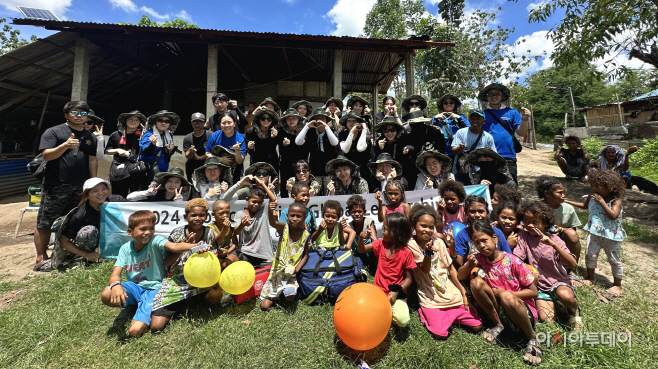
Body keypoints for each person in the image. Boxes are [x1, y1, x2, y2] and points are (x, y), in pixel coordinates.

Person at [100, 210, 200, 337]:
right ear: (130, 232)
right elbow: (115, 274)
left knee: (135, 331)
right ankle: (132, 305)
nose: (148, 232)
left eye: (151, 228)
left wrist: (196, 246)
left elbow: (174, 247)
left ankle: (134, 309)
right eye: (142, 229)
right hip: (134, 287)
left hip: (154, 289)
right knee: (106, 293)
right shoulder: (125, 248)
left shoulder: (155, 240)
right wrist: (116, 285)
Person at [457, 220, 542, 365]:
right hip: (502, 310)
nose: (482, 246)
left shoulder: (512, 261)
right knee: (475, 282)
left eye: (484, 240)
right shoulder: (479, 259)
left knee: (506, 295)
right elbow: (460, 276)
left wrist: (505, 293)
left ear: (494, 239)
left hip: (521, 311)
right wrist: (470, 265)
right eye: (477, 243)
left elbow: (533, 292)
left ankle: (532, 337)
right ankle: (499, 324)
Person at [33, 101, 98, 271]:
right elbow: (46, 155)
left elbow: (92, 160)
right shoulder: (54, 132)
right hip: (56, 185)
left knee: (72, 220)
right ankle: (41, 256)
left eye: (83, 113)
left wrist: (93, 184)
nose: (79, 116)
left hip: (79, 186)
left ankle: (66, 253)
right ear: (66, 114)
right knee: (45, 221)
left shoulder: (89, 136)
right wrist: (65, 145)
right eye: (74, 112)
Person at [407, 204, 482, 339]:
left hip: (449, 292)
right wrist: (428, 254)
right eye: (423, 226)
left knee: (477, 325)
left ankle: (451, 316)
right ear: (414, 225)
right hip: (430, 296)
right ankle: (428, 313)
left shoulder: (439, 242)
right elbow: (424, 269)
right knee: (440, 334)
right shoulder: (411, 245)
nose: (427, 230)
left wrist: (463, 293)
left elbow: (451, 269)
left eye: (431, 227)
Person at [150, 199, 224, 332]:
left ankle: (191, 303)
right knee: (156, 327)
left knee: (216, 295)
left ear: (206, 217)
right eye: (193, 215)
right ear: (186, 217)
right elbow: (166, 262)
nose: (197, 218)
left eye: (201, 215)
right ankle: (182, 303)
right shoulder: (177, 234)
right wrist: (183, 247)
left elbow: (214, 260)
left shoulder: (210, 233)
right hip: (177, 283)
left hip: (201, 283)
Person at [513, 200, 582, 330]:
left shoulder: (555, 239)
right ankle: (555, 302)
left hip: (557, 281)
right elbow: (517, 259)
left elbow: (573, 263)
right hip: (539, 286)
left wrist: (553, 245)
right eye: (526, 221)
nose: (530, 225)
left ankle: (573, 311)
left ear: (545, 223)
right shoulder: (523, 237)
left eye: (535, 222)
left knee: (566, 296)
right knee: (546, 319)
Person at [568, 169, 627, 296]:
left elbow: (613, 215)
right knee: (590, 254)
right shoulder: (592, 197)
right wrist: (567, 201)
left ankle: (617, 284)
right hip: (594, 232)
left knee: (614, 259)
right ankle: (590, 277)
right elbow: (584, 206)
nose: (593, 188)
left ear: (610, 186)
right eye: (592, 184)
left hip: (611, 235)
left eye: (597, 185)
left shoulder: (616, 201)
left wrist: (601, 202)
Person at [50, 178, 125, 270]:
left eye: (103, 189)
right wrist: (86, 255)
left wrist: (111, 208)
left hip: (117, 238)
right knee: (88, 231)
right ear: (87, 195)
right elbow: (63, 241)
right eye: (95, 191)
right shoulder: (81, 214)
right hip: (96, 241)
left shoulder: (118, 201)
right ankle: (92, 258)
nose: (101, 193)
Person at [357, 212, 416, 328]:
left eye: (385, 229)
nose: (382, 231)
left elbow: (409, 278)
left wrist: (397, 291)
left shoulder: (406, 253)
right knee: (365, 315)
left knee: (403, 321)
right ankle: (383, 312)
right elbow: (361, 250)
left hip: (395, 295)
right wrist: (361, 238)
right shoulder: (381, 244)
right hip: (377, 293)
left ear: (396, 233)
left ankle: (387, 311)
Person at [260, 201, 311, 311]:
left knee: (290, 295)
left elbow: (306, 254)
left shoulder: (305, 234)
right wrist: (270, 210)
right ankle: (275, 297)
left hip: (290, 275)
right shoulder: (284, 228)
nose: (295, 219)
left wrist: (297, 269)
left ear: (304, 218)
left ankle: (285, 295)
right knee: (264, 306)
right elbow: (273, 223)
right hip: (277, 273)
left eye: (299, 216)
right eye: (292, 215)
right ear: (287, 216)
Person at [478, 83, 530, 184]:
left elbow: (521, 133)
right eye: (490, 95)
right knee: (489, 187)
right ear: (486, 97)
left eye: (497, 94)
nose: (494, 97)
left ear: (502, 96)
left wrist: (525, 119)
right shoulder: (481, 114)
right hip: (488, 156)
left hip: (508, 155)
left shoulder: (512, 112)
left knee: (510, 187)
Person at [535, 175, 582, 281]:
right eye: (559, 193)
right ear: (547, 194)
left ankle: (572, 270)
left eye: (563, 192)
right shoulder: (536, 208)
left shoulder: (568, 209)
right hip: (539, 239)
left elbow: (572, 231)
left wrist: (561, 229)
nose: (563, 196)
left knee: (572, 234)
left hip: (560, 241)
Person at [449, 195, 512, 267]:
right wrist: (452, 248)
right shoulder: (462, 235)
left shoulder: (497, 232)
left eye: (481, 211)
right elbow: (460, 264)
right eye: (472, 211)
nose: (477, 215)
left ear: (487, 213)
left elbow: (508, 257)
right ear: (466, 213)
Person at [233, 179, 278, 268]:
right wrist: (242, 224)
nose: (256, 205)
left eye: (259, 202)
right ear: (247, 200)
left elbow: (273, 200)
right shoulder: (240, 214)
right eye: (254, 201)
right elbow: (235, 232)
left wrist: (262, 184)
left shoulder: (263, 211)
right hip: (246, 252)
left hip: (264, 255)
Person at [295, 108, 340, 193]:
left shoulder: (331, 130)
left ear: (326, 120)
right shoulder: (310, 132)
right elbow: (298, 142)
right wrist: (307, 126)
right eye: (317, 118)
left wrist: (326, 127)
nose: (320, 121)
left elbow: (335, 143)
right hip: (315, 168)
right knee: (316, 192)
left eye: (322, 118)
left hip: (329, 169)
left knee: (329, 191)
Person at [105, 110, 146, 197]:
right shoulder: (116, 134)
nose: (133, 122)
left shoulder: (143, 136)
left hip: (137, 171)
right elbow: (107, 150)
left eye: (136, 120)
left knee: (137, 198)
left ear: (140, 123)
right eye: (130, 119)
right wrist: (117, 150)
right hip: (119, 170)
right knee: (118, 197)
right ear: (125, 121)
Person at [451, 110, 497, 185]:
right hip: (461, 172)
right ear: (469, 120)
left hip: (480, 173)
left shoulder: (488, 137)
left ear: (484, 121)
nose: (475, 121)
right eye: (472, 119)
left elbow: (493, 155)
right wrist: (460, 148)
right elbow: (454, 150)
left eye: (478, 119)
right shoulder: (461, 132)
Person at [401, 109, 446, 186]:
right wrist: (407, 149)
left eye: (416, 123)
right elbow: (409, 147)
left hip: (435, 167)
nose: (414, 126)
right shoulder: (409, 135)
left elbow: (442, 148)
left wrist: (431, 154)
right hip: (416, 171)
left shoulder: (434, 131)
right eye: (412, 123)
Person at [594, 145, 658, 195]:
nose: (611, 154)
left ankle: (654, 190)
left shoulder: (618, 162)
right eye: (608, 152)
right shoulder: (600, 162)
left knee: (636, 178)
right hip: (606, 180)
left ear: (616, 154)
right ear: (605, 154)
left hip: (619, 180)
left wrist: (627, 155)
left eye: (613, 153)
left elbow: (625, 168)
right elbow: (588, 165)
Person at [139, 110, 179, 187]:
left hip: (163, 171)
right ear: (155, 122)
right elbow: (146, 153)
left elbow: (167, 153)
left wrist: (172, 148)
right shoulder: (149, 134)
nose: (164, 123)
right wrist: (152, 144)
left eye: (167, 121)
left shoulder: (168, 135)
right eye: (160, 120)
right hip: (150, 173)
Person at [205, 113, 246, 184]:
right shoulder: (214, 136)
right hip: (217, 170)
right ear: (220, 124)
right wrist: (219, 159)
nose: (226, 125)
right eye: (223, 123)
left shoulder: (240, 138)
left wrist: (237, 150)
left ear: (234, 124)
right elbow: (207, 153)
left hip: (235, 171)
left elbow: (240, 161)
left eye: (229, 123)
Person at [278, 109, 311, 198]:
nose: (291, 121)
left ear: (298, 119)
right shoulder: (280, 129)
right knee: (286, 186)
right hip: (286, 163)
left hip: (301, 163)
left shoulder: (305, 129)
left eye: (294, 118)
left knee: (302, 186)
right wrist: (283, 144)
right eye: (288, 118)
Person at [338, 111, 373, 185]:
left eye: (354, 121)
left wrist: (364, 130)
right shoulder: (342, 135)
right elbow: (345, 149)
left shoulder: (366, 137)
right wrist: (352, 132)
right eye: (349, 121)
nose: (351, 123)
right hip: (347, 172)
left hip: (363, 171)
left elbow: (360, 148)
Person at [346, 195, 377, 274]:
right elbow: (343, 241)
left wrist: (369, 237)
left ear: (364, 211)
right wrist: (341, 228)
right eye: (354, 212)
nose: (356, 214)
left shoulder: (368, 223)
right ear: (349, 212)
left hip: (368, 256)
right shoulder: (349, 226)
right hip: (355, 257)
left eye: (359, 211)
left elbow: (375, 242)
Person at [432, 94, 470, 159]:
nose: (448, 104)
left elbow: (469, 130)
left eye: (451, 102)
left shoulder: (461, 117)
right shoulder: (436, 117)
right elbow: (432, 134)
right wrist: (436, 119)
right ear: (442, 105)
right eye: (445, 103)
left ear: (454, 104)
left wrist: (459, 119)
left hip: (458, 150)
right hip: (441, 151)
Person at [208, 199, 243, 269]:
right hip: (213, 257)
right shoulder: (211, 228)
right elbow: (218, 240)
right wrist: (225, 228)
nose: (225, 215)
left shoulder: (229, 227)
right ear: (213, 215)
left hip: (226, 255)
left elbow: (235, 243)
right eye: (221, 213)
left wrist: (228, 251)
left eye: (227, 212)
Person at [245, 108, 280, 172]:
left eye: (269, 119)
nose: (266, 121)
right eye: (263, 118)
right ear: (259, 119)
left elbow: (274, 148)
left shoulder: (275, 131)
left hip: (272, 163)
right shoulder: (251, 132)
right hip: (256, 162)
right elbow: (249, 152)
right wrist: (250, 148)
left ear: (272, 121)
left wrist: (274, 138)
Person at [183, 112, 212, 183]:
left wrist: (199, 157)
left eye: (200, 122)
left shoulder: (211, 135)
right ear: (191, 122)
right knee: (193, 186)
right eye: (195, 122)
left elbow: (214, 153)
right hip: (192, 167)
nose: (197, 124)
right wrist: (191, 152)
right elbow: (188, 156)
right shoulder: (187, 138)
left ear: (204, 123)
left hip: (208, 165)